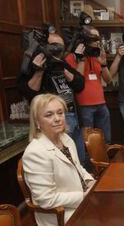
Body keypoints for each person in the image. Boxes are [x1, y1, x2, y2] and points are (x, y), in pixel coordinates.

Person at [17, 32, 89, 168]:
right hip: (52, 120)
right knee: (63, 164)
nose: (56, 50)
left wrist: (63, 69)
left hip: (74, 116)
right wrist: (39, 71)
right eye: (52, 46)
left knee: (79, 161)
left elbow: (80, 85)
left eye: (59, 47)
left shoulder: (62, 63)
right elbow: (28, 92)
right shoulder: (32, 65)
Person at [22, 93, 95, 226]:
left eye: (60, 113)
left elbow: (78, 168)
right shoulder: (35, 152)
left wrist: (89, 181)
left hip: (81, 199)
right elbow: (46, 199)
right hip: (61, 214)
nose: (57, 119)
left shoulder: (65, 139)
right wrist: (83, 196)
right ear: (37, 122)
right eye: (49, 115)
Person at [65, 25, 113, 144]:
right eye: (93, 39)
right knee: (87, 143)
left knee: (106, 140)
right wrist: (81, 59)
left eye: (98, 39)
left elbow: (109, 80)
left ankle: (106, 162)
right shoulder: (72, 57)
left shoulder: (97, 55)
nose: (97, 42)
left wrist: (103, 64)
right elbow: (77, 81)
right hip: (84, 106)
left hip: (101, 104)